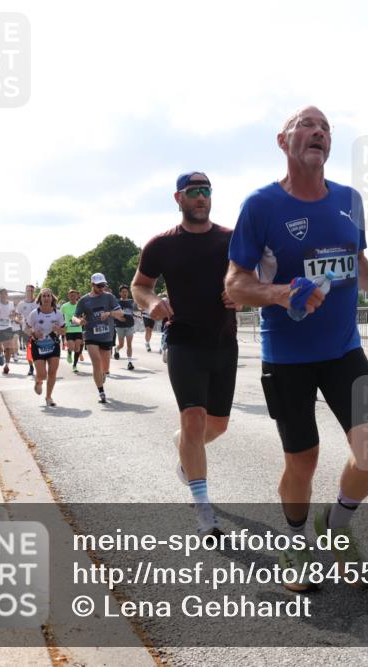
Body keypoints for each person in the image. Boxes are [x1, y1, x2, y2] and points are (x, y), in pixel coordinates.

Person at [225, 107, 368, 590]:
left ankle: (337, 526)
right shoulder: (260, 205)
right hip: (287, 356)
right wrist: (282, 293)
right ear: (283, 141)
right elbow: (236, 285)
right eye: (307, 125)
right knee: (302, 460)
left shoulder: (349, 200)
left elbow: (357, 258)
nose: (319, 132)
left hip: (345, 349)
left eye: (325, 128)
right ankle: (296, 541)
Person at [133, 171, 239, 536]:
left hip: (224, 341)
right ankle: (204, 509)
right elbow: (139, 284)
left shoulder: (231, 239)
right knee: (193, 419)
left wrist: (241, 293)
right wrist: (151, 303)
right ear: (178, 198)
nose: (202, 197)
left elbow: (251, 276)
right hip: (183, 340)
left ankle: (184, 450)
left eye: (207, 191)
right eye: (194, 192)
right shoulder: (161, 245)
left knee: (217, 425)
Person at [73, 273, 124, 403]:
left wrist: (109, 313)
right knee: (96, 363)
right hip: (91, 335)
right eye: (99, 285)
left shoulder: (109, 297)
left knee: (105, 368)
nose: (102, 288)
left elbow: (120, 313)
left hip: (106, 336)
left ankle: (103, 374)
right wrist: (80, 322)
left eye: (103, 285)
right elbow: (74, 317)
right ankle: (101, 392)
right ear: (92, 285)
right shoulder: (84, 300)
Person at [24, 288, 66, 407]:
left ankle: (48, 397)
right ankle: (38, 380)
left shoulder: (57, 313)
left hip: (53, 345)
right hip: (38, 346)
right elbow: (25, 328)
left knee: (52, 372)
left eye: (48, 296)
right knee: (42, 374)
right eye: (44, 296)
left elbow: (64, 331)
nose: (46, 298)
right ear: (40, 299)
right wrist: (33, 333)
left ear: (52, 298)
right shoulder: (34, 314)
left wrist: (59, 330)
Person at [60, 288, 85, 372]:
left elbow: (84, 314)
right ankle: (69, 353)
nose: (73, 296)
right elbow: (59, 316)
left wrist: (82, 319)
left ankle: (74, 365)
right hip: (69, 330)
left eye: (74, 295)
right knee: (71, 347)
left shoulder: (79, 305)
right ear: (68, 296)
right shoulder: (64, 306)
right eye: (71, 295)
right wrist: (62, 325)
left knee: (77, 348)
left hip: (78, 329)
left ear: (77, 296)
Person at [16, 284, 38, 376]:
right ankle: (31, 367)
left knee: (37, 349)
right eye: (28, 290)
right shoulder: (21, 304)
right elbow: (17, 316)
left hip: (38, 329)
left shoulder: (38, 302)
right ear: (25, 291)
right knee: (29, 349)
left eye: (31, 291)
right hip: (26, 330)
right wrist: (19, 321)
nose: (30, 292)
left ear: (34, 292)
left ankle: (39, 365)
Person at [113, 284, 137, 371]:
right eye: (123, 292)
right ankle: (116, 349)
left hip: (130, 325)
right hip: (120, 326)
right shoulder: (116, 302)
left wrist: (136, 315)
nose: (125, 293)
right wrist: (119, 317)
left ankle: (129, 362)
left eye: (126, 292)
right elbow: (113, 313)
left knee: (129, 344)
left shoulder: (131, 301)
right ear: (120, 293)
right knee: (121, 344)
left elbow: (130, 312)